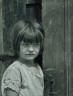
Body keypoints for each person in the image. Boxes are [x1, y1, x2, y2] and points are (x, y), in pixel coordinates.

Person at [1, 20, 45, 96]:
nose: (31, 49)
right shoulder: (14, 71)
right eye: (25, 45)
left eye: (35, 45)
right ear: (17, 45)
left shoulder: (37, 67)